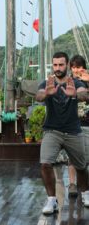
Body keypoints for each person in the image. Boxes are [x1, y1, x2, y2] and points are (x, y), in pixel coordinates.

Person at [35, 51, 89, 215]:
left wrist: (77, 94)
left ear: (67, 66)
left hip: (73, 131)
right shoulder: (47, 83)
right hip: (52, 130)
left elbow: (84, 94)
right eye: (55, 65)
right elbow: (38, 96)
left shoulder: (76, 82)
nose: (58, 68)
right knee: (45, 163)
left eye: (61, 65)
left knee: (81, 167)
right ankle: (52, 200)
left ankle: (86, 193)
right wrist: (46, 93)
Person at [65, 55, 89, 197]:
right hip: (74, 122)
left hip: (87, 122)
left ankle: (84, 183)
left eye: (79, 66)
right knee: (72, 155)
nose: (76, 70)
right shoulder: (69, 81)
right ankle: (72, 184)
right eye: (74, 67)